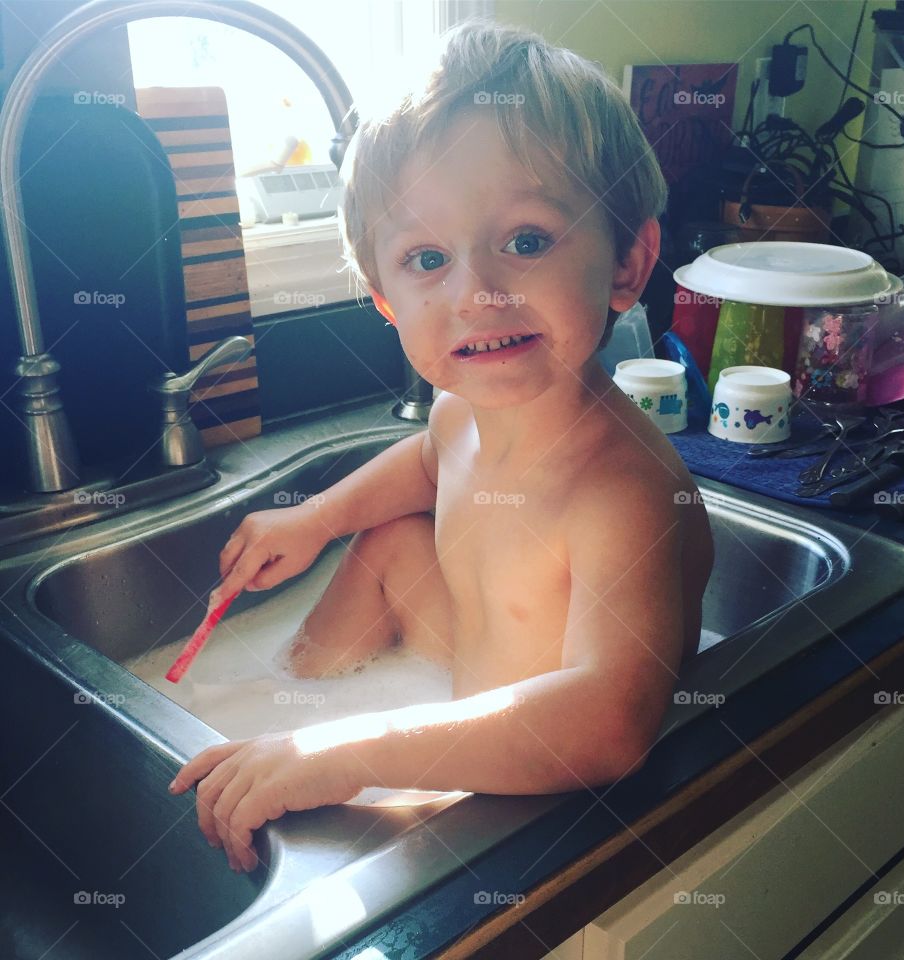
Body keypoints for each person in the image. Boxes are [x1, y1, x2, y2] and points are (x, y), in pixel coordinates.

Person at [169, 19, 715, 874]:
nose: (478, 293)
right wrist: (313, 517)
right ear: (384, 299)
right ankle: (276, 709)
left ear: (627, 262)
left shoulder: (625, 489)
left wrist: (355, 752)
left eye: (527, 241)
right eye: (426, 258)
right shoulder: (459, 415)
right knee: (390, 541)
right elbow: (427, 465)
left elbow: (609, 723)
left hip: (540, 799)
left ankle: (303, 748)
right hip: (460, 701)